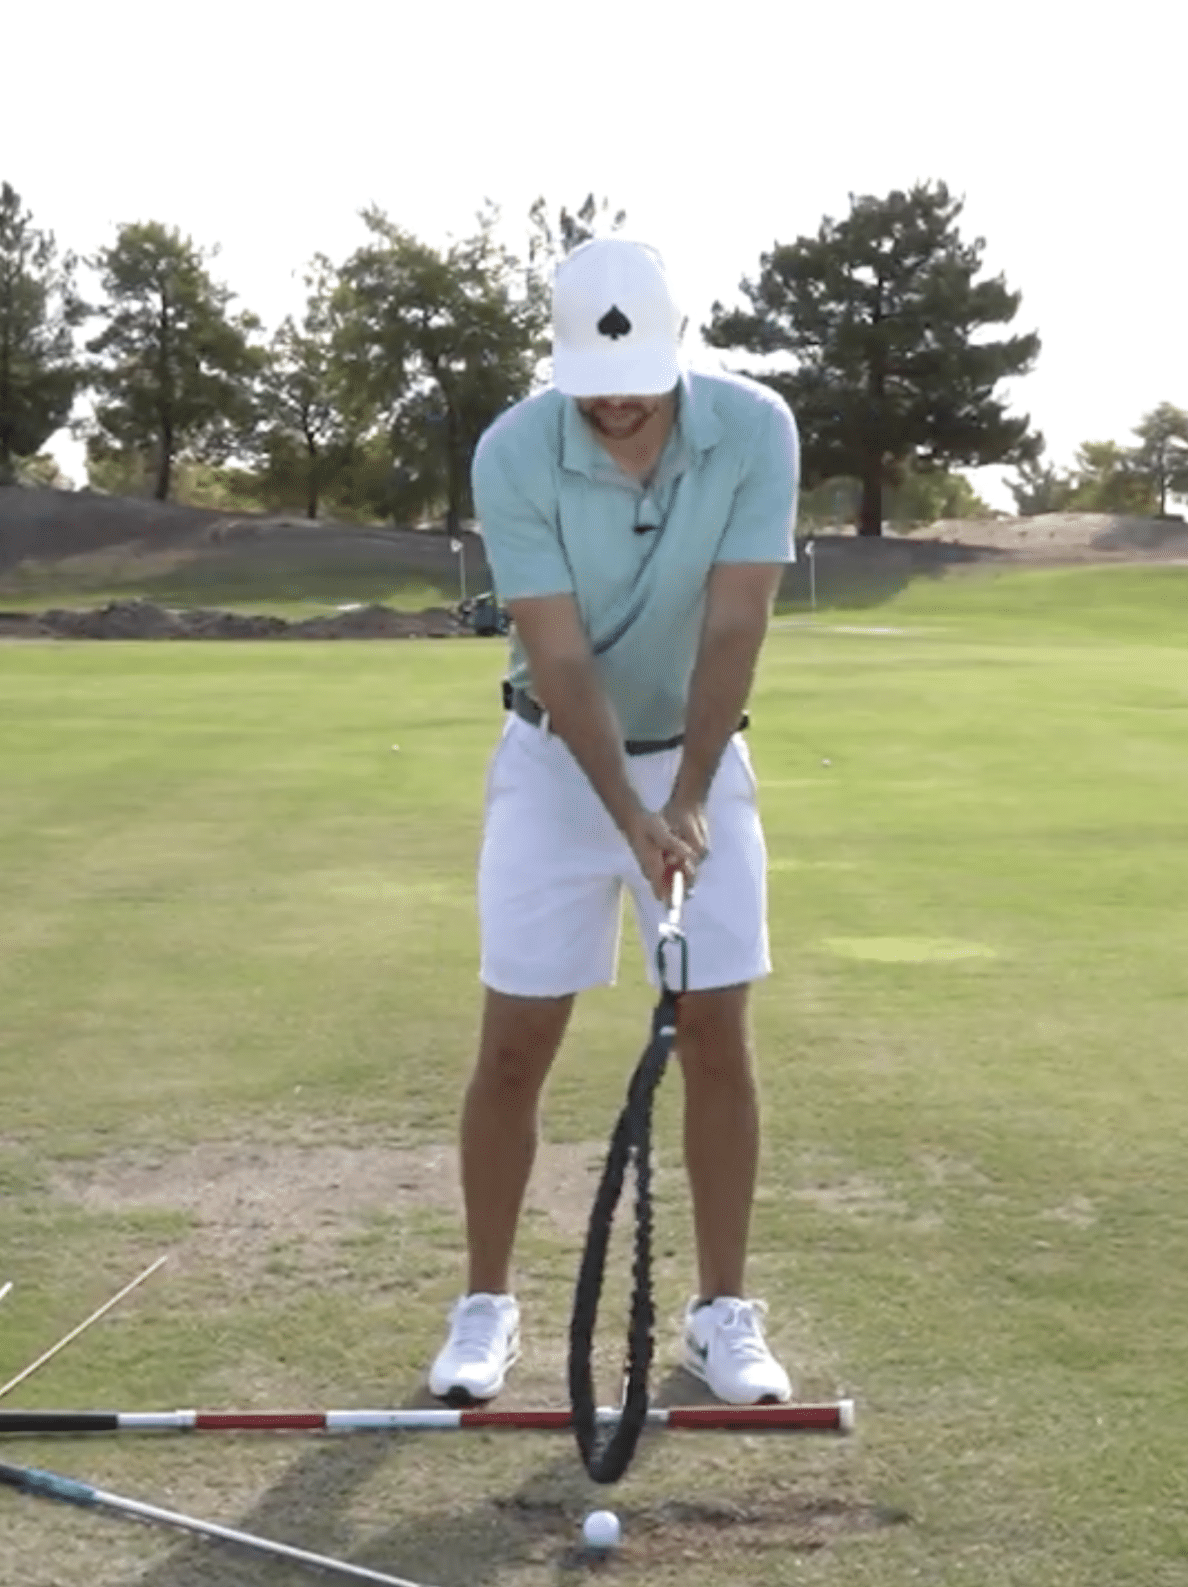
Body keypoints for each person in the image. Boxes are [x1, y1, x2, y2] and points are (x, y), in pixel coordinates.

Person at [426, 237, 800, 1408]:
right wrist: (626, 809)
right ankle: (485, 1305)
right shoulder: (513, 450)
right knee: (512, 1046)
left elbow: (736, 624)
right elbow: (558, 650)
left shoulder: (754, 429)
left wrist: (685, 795)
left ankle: (721, 1314)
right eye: (591, 388)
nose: (616, 406)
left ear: (679, 351)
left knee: (715, 1033)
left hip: (698, 758)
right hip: (554, 765)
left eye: (634, 382)